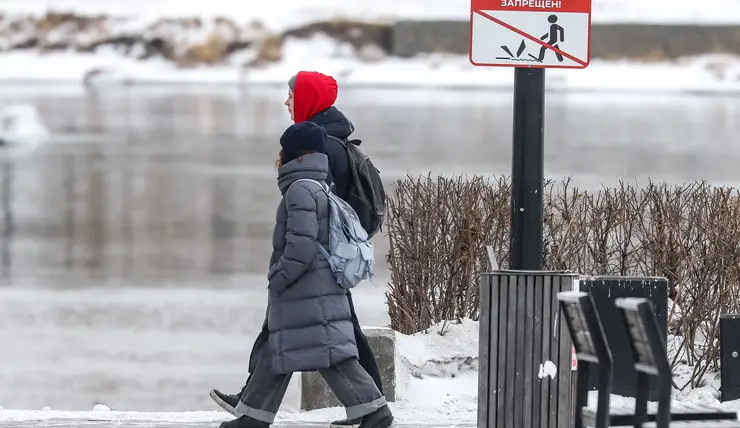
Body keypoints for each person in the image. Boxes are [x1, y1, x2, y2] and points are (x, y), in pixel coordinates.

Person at [210, 71, 384, 428]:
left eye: (290, 95)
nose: (286, 101)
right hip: (320, 266)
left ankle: (371, 406)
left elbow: (311, 227)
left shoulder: (317, 158)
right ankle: (254, 412)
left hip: (315, 268)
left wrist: (284, 271)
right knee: (291, 336)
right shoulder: (326, 146)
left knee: (321, 340)